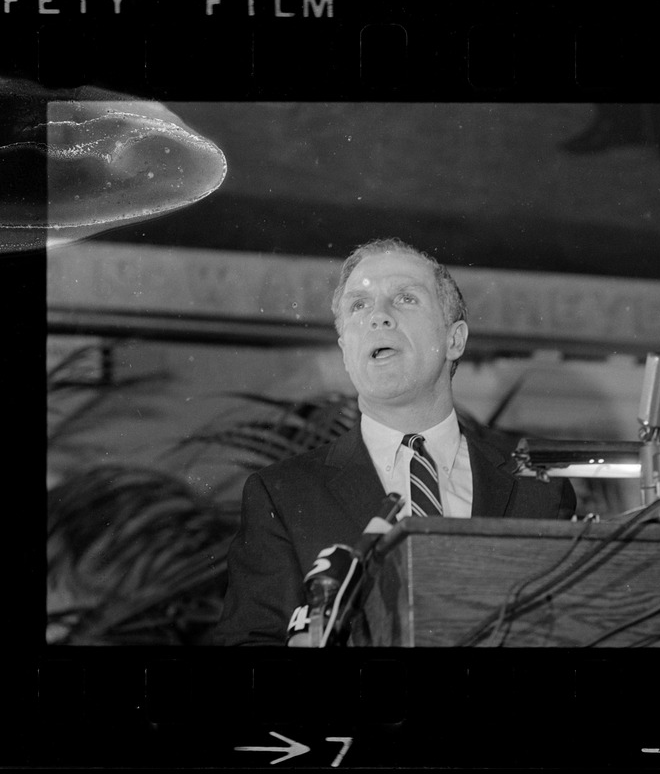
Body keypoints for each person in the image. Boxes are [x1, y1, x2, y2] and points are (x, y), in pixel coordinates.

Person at [215, 238, 576, 646]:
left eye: (405, 298)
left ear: (454, 340)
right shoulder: (281, 494)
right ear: (345, 351)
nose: (379, 317)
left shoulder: (539, 491)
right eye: (359, 305)